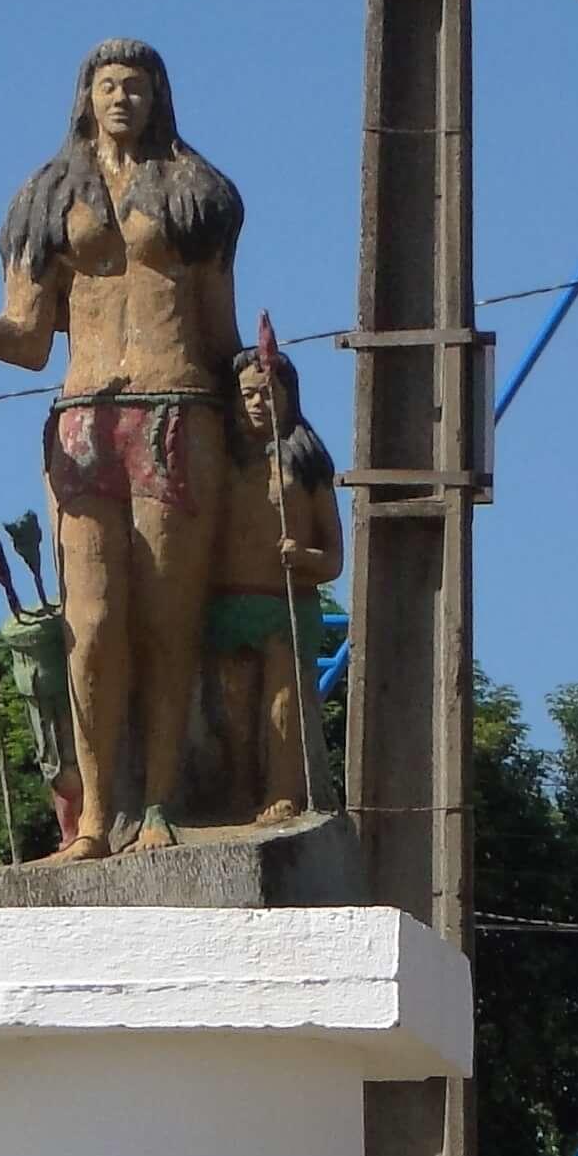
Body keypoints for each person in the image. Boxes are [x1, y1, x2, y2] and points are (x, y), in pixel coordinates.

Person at [0, 39, 241, 858]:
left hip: (178, 414)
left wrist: (261, 404)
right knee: (91, 625)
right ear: (85, 97)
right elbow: (29, 339)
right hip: (84, 420)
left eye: (137, 85)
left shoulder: (198, 194)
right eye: (108, 85)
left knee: (169, 623)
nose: (122, 97)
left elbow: (223, 334)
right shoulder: (49, 197)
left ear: (160, 96)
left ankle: (159, 802)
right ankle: (96, 813)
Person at [204, 339, 340, 825]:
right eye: (249, 394)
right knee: (232, 710)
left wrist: (302, 556)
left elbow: (335, 559)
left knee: (283, 709)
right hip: (228, 605)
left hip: (285, 604)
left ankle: (283, 790)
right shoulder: (218, 459)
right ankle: (239, 789)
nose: (260, 403)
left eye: (269, 392)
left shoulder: (305, 462)